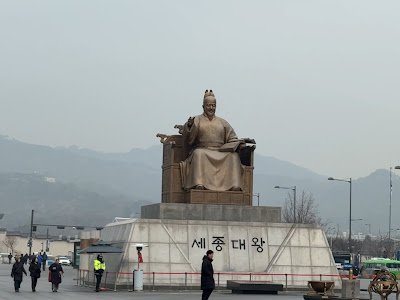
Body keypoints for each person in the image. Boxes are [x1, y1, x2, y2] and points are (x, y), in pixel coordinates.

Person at [180, 90, 247, 191]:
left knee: (233, 156)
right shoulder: (197, 119)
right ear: (203, 106)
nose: (211, 108)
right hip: (203, 149)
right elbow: (188, 137)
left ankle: (234, 185)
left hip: (220, 151)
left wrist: (239, 144)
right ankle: (199, 184)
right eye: (208, 105)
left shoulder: (222, 122)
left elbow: (232, 138)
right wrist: (189, 126)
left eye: (213, 105)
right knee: (198, 154)